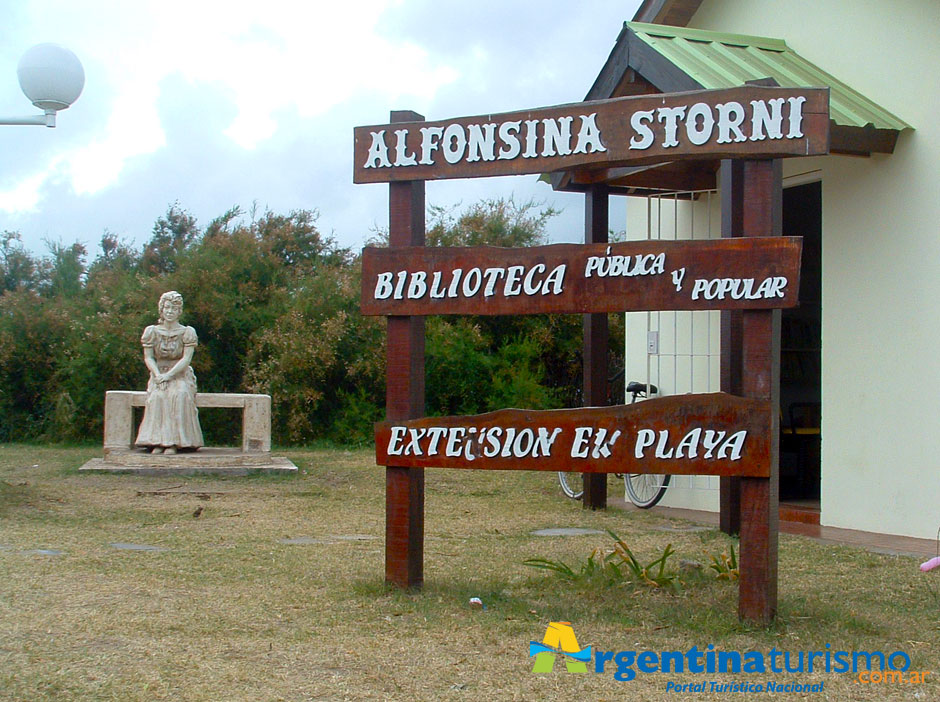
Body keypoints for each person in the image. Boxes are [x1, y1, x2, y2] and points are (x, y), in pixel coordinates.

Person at [135, 291, 204, 454]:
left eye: (174, 308)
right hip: (158, 374)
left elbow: (186, 359)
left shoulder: (187, 332)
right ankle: (157, 441)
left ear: (179, 311)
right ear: (161, 309)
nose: (170, 311)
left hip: (179, 374)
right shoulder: (152, 331)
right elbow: (148, 358)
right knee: (158, 397)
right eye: (167, 308)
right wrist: (158, 375)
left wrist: (169, 375)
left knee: (179, 395)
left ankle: (174, 443)